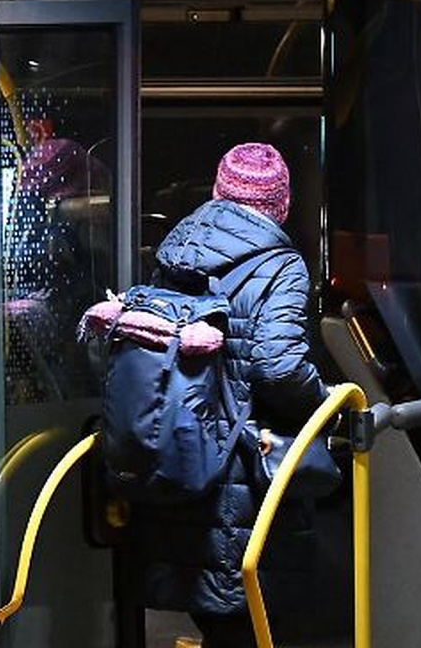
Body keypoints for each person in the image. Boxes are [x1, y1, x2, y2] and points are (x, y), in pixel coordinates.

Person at [130, 142, 329, 648]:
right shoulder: (280, 266)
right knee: (255, 620)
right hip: (246, 471)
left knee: (222, 624)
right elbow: (278, 365)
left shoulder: (176, 253)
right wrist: (325, 404)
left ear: (219, 192)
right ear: (280, 205)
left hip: (182, 458)